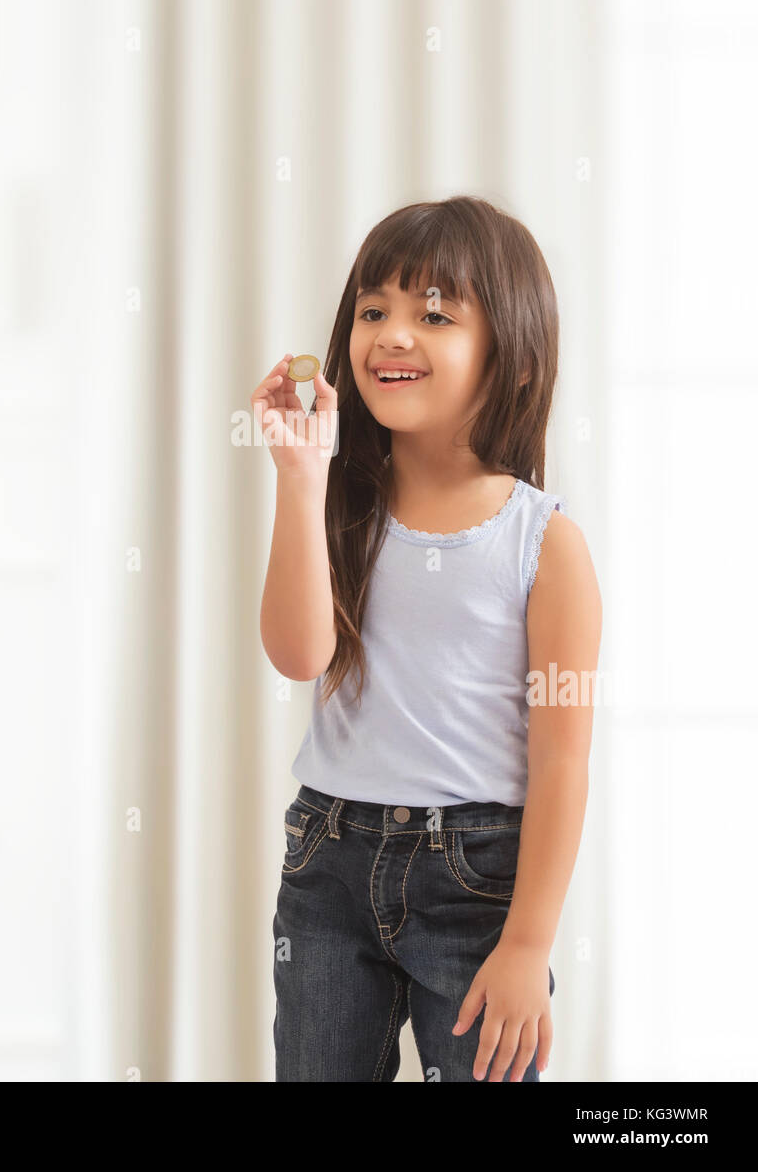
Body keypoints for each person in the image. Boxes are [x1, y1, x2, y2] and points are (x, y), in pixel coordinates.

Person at [254, 196, 602, 1082]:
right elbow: (299, 656)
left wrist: (528, 944)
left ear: (511, 356)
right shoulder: (340, 506)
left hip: (480, 874)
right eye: (374, 310)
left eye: (434, 314)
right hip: (327, 863)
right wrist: (301, 479)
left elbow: (562, 761)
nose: (391, 335)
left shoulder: (543, 543)